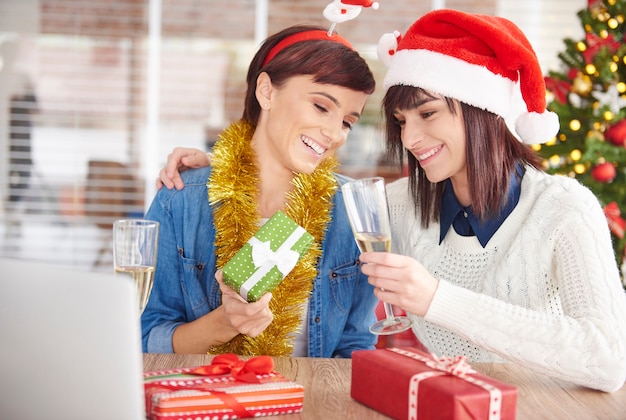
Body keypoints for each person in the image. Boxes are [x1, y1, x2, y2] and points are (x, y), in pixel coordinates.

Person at [158, 10, 626, 392]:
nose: (411, 138)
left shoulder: (565, 208)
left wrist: (438, 299)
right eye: (401, 120)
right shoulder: (392, 207)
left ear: (485, 114)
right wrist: (218, 168)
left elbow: (608, 362)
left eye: (427, 114)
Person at [142, 23, 379, 358]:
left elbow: (355, 347)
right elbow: (143, 336)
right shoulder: (180, 198)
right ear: (267, 91)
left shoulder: (352, 210)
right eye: (321, 107)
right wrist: (225, 322)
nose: (334, 134)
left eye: (347, 122)